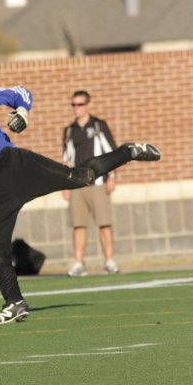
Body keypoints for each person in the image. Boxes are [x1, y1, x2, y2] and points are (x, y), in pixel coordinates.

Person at [0, 62, 161, 325]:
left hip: (10, 165)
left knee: (84, 178)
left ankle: (128, 151)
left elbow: (20, 92)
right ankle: (14, 303)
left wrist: (23, 112)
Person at [63, 90, 120, 276]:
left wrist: (112, 177)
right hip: (78, 185)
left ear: (87, 105)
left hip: (99, 182)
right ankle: (79, 263)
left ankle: (109, 261)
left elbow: (111, 152)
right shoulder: (70, 130)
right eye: (73, 105)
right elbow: (67, 159)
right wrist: (65, 184)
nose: (76, 108)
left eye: (79, 104)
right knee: (78, 225)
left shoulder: (98, 125)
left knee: (104, 223)